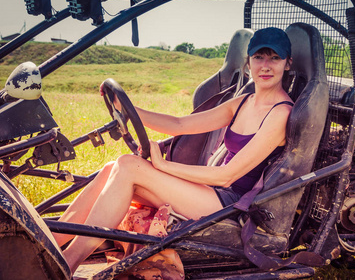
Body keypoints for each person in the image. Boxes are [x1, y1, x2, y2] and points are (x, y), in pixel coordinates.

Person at [53, 27, 294, 274]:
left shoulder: (281, 113)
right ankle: (47, 244)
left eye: (274, 58)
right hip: (212, 192)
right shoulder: (243, 101)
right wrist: (128, 109)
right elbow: (179, 125)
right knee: (109, 169)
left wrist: (164, 165)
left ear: (287, 64)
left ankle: (64, 265)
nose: (265, 65)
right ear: (249, 62)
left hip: (229, 204)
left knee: (128, 166)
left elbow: (227, 176)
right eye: (258, 57)